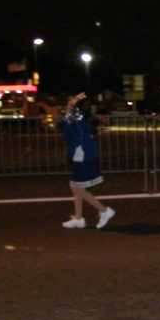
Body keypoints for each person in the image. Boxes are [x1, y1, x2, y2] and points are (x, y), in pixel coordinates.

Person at [61, 93, 115, 229]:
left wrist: (69, 110)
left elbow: (67, 134)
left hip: (84, 157)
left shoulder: (78, 121)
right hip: (86, 156)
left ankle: (104, 210)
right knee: (76, 188)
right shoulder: (82, 119)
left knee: (77, 188)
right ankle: (79, 217)